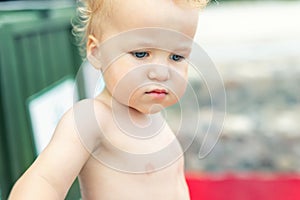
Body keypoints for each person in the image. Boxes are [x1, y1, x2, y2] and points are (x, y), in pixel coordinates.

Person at [9, 0, 208, 199]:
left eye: (176, 57)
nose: (162, 73)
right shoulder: (93, 119)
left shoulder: (153, 118)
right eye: (141, 54)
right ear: (97, 52)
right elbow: (45, 180)